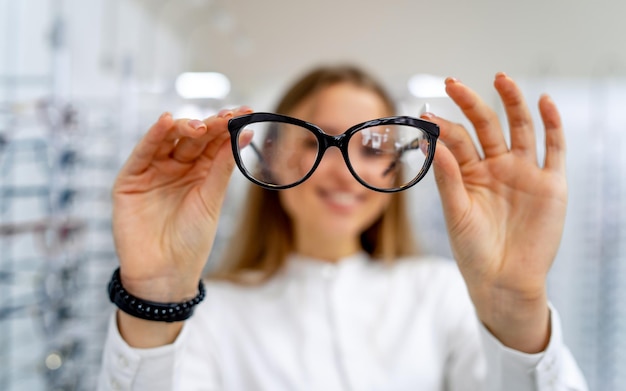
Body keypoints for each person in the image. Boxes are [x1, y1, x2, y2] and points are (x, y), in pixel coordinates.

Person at [98, 64, 589, 390]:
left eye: (373, 147)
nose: (342, 169)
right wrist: (156, 297)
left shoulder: (440, 294)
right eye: (315, 142)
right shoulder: (206, 315)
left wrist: (516, 308)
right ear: (272, 158)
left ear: (395, 170)